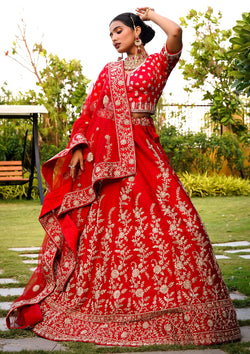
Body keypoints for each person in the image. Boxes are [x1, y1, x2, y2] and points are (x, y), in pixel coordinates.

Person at [6, 7, 240, 347]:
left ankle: (185, 311)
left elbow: (175, 33)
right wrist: (76, 149)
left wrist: (152, 14)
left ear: (136, 30)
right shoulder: (109, 71)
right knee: (105, 233)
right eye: (110, 34)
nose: (114, 38)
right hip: (109, 165)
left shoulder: (157, 64)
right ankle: (103, 303)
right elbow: (88, 112)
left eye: (119, 30)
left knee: (175, 224)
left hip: (146, 155)